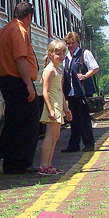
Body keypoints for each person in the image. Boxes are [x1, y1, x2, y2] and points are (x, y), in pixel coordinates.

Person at [0, 2, 41, 174]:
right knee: (28, 123)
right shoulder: (20, 31)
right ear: (29, 16)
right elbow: (20, 59)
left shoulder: (4, 30)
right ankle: (23, 163)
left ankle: (10, 162)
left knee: (13, 123)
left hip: (6, 81)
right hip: (19, 82)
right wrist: (29, 86)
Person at [38, 40, 71, 176]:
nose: (62, 56)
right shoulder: (50, 70)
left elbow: (60, 91)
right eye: (58, 53)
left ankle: (49, 164)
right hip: (52, 105)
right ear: (50, 54)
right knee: (50, 136)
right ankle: (43, 165)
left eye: (63, 53)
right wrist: (50, 109)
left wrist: (66, 108)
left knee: (55, 136)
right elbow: (45, 91)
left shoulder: (58, 70)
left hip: (58, 106)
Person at [62, 30, 98, 152]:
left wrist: (85, 76)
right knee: (73, 119)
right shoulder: (66, 57)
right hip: (71, 93)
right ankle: (74, 145)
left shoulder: (85, 53)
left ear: (77, 43)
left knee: (84, 119)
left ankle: (89, 144)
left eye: (72, 43)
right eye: (68, 43)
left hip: (82, 92)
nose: (70, 46)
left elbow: (95, 67)